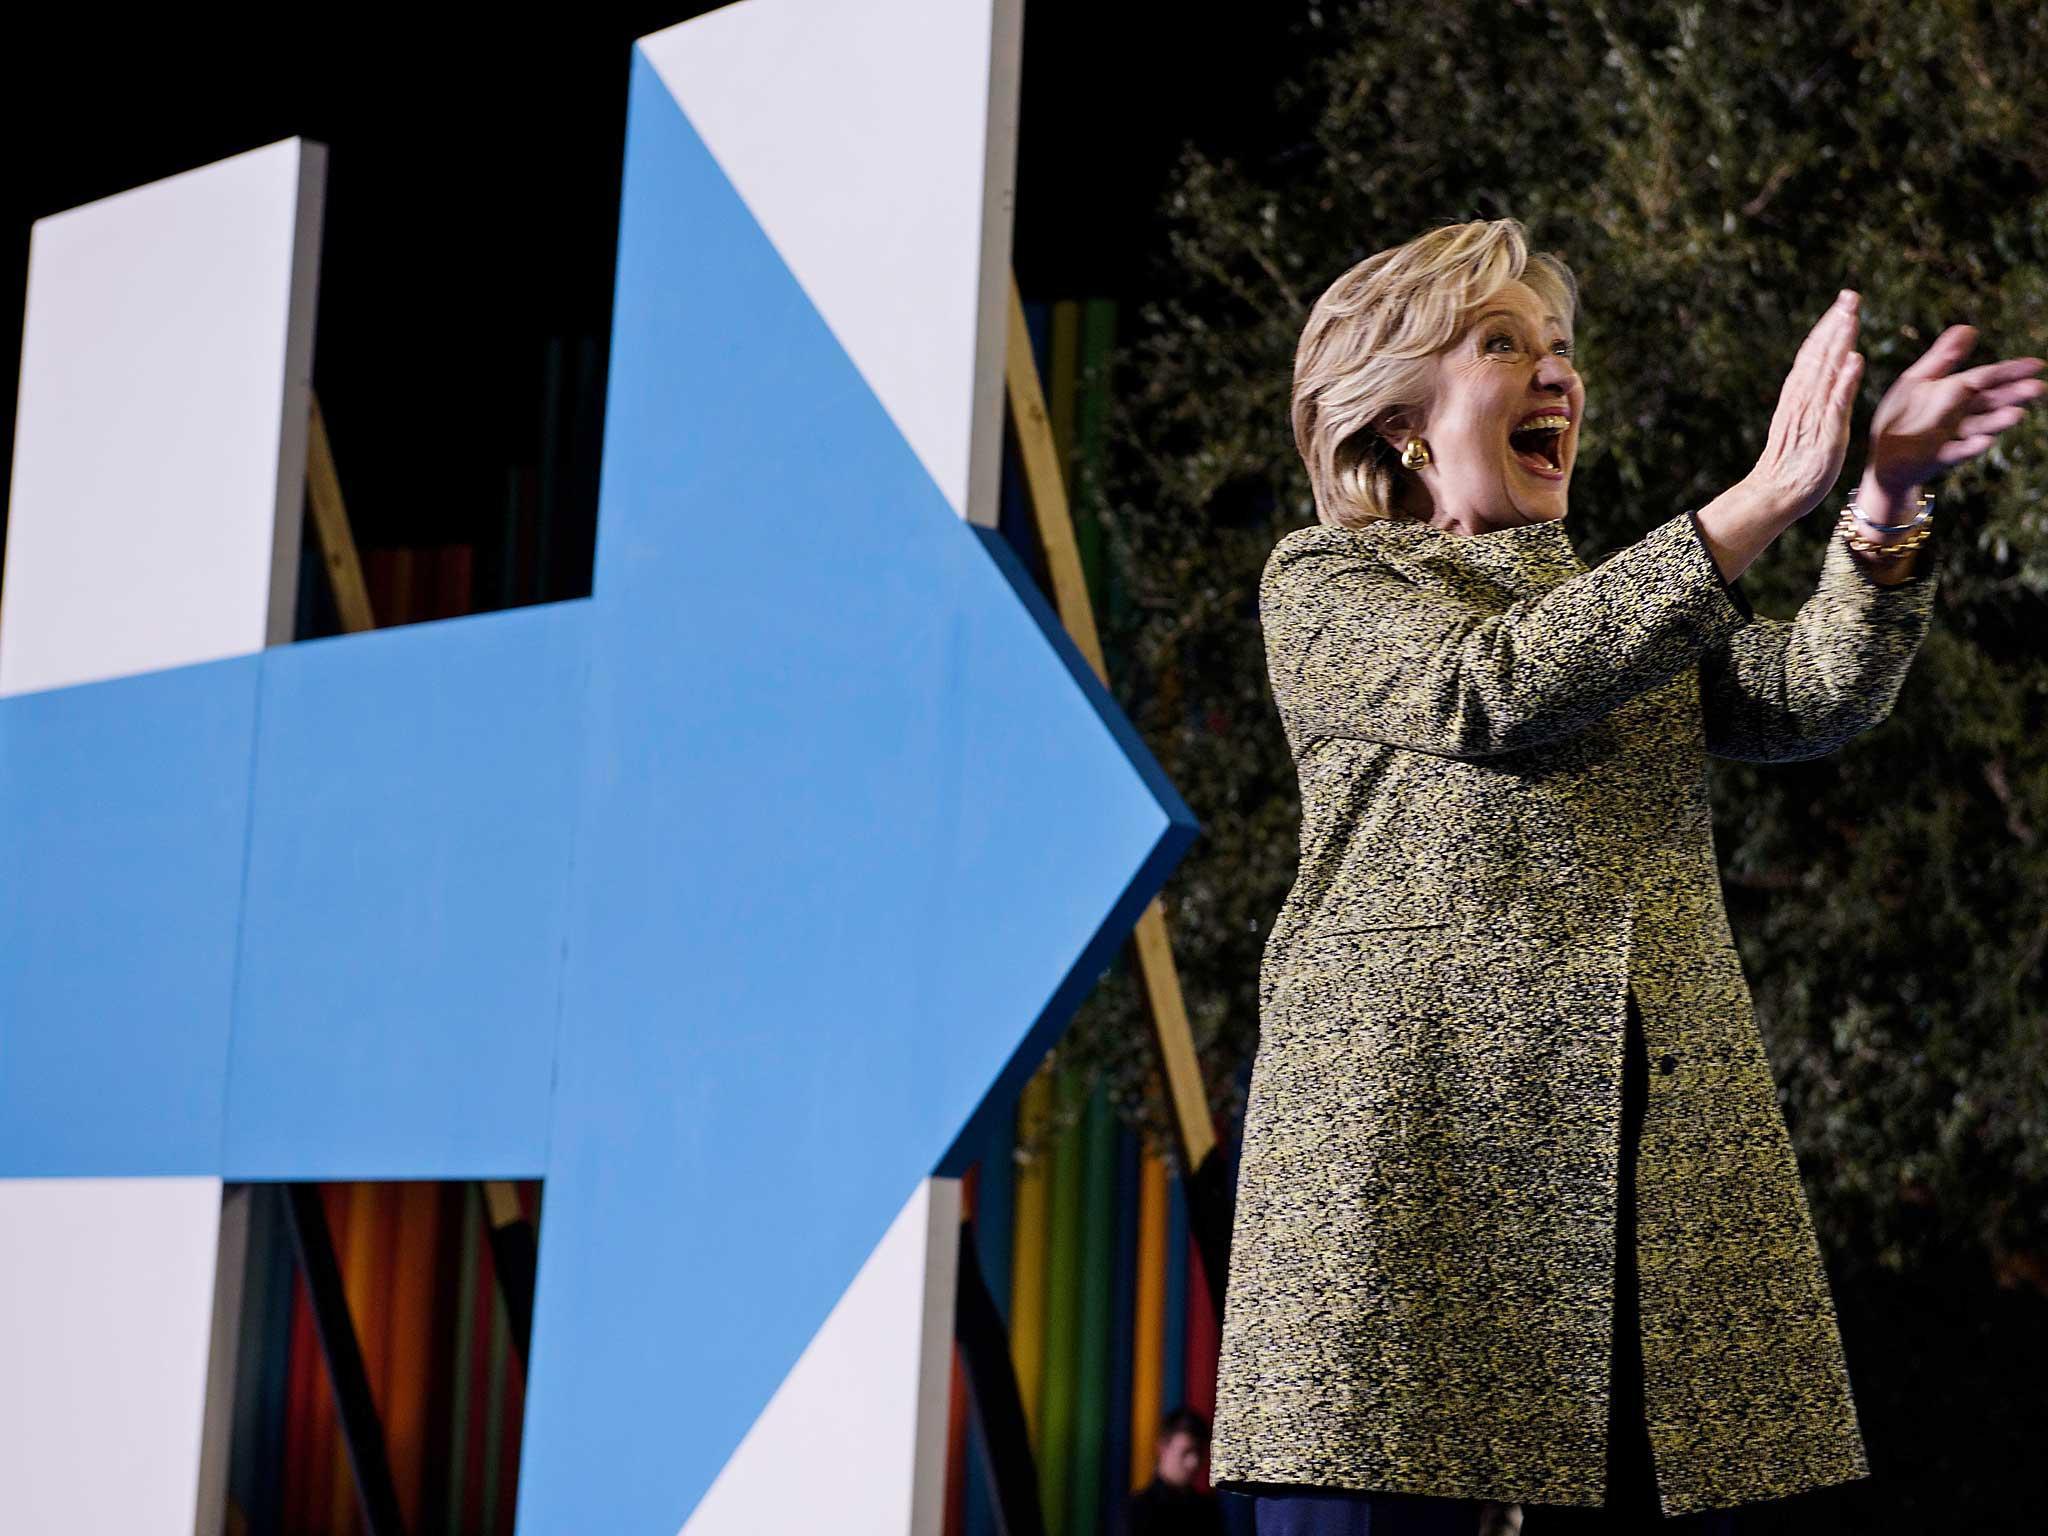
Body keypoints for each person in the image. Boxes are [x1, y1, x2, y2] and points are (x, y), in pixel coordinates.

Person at [1205, 218, 2043, 1536]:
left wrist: (1885, 501)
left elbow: (1808, 692)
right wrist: (1766, 493)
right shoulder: (1326, 582)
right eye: (1503, 345)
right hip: (1405, 1207)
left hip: (1643, 1192)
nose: (1557, 376)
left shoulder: (1621, 604)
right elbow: (1486, 689)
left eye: (1562, 350)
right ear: (1404, 420)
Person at [1126, 1407, 1231, 1536]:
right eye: (1186, 1452)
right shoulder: (1137, 1510)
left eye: (1199, 1452)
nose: (1194, 1462)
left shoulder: (1208, 1510)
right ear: (1162, 1448)